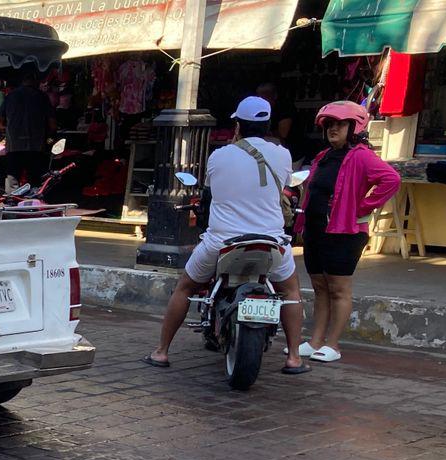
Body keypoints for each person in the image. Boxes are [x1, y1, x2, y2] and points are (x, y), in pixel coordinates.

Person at [146, 96, 308, 374]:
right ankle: (293, 357)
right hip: (271, 242)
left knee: (185, 287)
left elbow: (211, 191)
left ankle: (161, 352)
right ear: (268, 124)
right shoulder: (282, 155)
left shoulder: (219, 156)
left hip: (222, 243)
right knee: (290, 291)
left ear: (237, 126)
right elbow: (280, 185)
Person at [296, 100, 401, 365]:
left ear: (354, 126)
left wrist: (361, 207)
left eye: (340, 124)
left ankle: (333, 343)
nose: (333, 129)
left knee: (339, 289)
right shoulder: (324, 156)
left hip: (345, 232)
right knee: (320, 287)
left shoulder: (362, 156)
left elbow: (391, 180)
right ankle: (315, 340)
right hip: (317, 229)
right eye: (329, 124)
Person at [0, 68, 54, 188]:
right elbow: (52, 123)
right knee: (34, 179)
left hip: (14, 146)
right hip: (36, 146)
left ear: (22, 81)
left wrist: (10, 128)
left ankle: (12, 202)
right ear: (35, 81)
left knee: (12, 178)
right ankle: (33, 203)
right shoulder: (42, 97)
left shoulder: (10, 97)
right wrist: (50, 136)